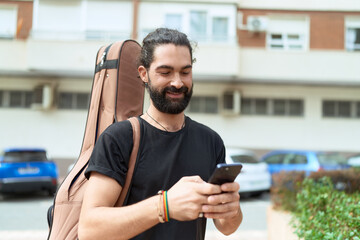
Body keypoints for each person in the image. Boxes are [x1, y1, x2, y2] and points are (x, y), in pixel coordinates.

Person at [78, 28, 243, 240]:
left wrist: (231, 209)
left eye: (185, 72)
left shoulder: (210, 141)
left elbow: (227, 227)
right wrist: (165, 206)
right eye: (165, 72)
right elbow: (89, 230)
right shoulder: (119, 138)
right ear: (144, 74)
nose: (177, 82)